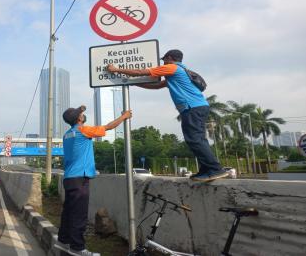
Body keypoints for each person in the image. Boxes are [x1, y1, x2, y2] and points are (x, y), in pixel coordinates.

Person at [106, 49, 228, 182]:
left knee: (195, 139)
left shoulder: (171, 68)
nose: (163, 62)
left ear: (170, 58)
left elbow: (141, 72)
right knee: (197, 139)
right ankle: (206, 169)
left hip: (192, 107)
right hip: (197, 107)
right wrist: (132, 82)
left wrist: (116, 69)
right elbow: (158, 85)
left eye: (164, 59)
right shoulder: (181, 71)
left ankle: (215, 169)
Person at [58, 105, 132, 256]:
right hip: (80, 178)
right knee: (79, 214)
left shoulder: (67, 134)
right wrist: (124, 117)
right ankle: (77, 248)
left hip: (69, 178)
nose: (83, 114)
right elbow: (108, 127)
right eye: (81, 113)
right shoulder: (83, 130)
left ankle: (63, 240)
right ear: (78, 118)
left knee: (69, 212)